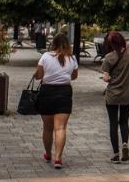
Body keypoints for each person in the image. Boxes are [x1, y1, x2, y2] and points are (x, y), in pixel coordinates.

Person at [34, 34, 78, 169]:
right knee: (60, 128)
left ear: (53, 43)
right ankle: (58, 159)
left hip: (47, 92)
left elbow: (38, 76)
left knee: (47, 128)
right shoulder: (72, 58)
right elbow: (74, 76)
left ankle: (48, 154)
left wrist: (40, 73)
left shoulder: (45, 56)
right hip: (64, 93)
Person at [101, 32, 129, 163]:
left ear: (110, 43)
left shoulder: (108, 57)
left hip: (112, 95)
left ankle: (116, 154)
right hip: (128, 94)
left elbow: (106, 78)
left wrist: (107, 77)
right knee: (124, 122)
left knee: (113, 123)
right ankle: (125, 143)